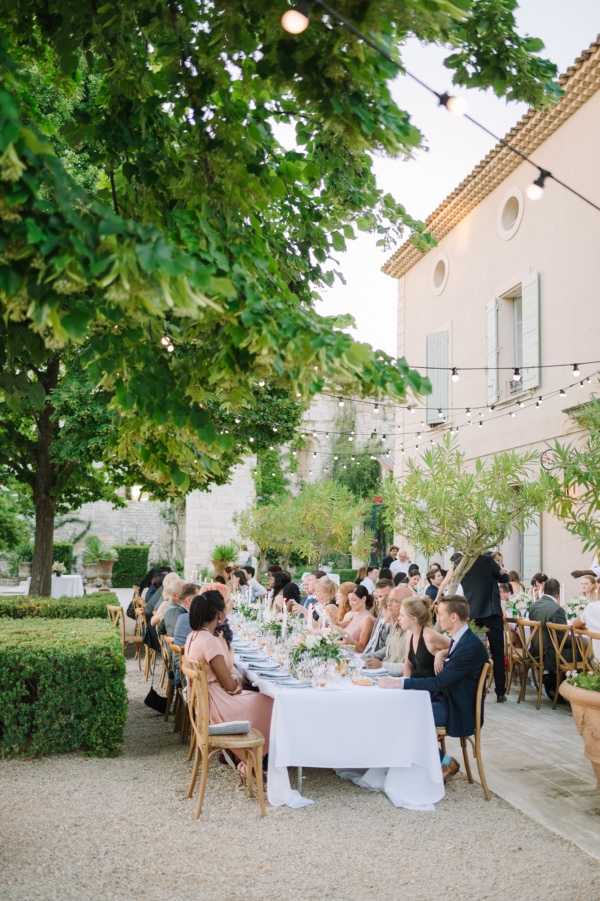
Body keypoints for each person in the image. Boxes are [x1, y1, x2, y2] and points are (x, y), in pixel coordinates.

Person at [379, 596, 488, 782]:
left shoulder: (469, 646)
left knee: (407, 716)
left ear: (453, 617)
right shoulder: (461, 639)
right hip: (447, 699)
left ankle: (443, 762)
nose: (437, 618)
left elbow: (439, 682)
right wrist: (442, 653)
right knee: (397, 708)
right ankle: (413, 763)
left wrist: (401, 683)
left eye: (441, 614)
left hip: (458, 709)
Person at [184, 591, 273, 754]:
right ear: (219, 614)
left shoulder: (193, 636)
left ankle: (247, 757)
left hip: (203, 704)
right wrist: (239, 682)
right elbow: (229, 686)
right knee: (270, 702)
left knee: (258, 696)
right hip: (217, 706)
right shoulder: (210, 641)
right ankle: (255, 760)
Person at [451, 551, 509, 702]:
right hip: (491, 612)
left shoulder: (461, 563)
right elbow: (504, 578)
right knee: (498, 652)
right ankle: (500, 692)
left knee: (471, 652)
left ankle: (475, 689)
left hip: (473, 612)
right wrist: (501, 570)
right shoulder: (487, 561)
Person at [528, 577, 569, 700]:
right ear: (558, 593)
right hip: (550, 654)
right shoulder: (558, 610)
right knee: (584, 652)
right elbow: (562, 639)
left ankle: (553, 683)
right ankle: (562, 690)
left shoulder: (534, 606)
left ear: (544, 590)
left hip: (535, 650)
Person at [364, 585, 411, 674]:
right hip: (385, 673)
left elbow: (410, 668)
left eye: (395, 601)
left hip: (395, 679)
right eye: (389, 600)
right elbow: (388, 648)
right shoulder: (395, 624)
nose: (388, 604)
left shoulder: (412, 630)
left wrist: (382, 665)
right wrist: (366, 658)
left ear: (407, 605)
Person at [401, 596, 450, 678]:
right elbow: (408, 664)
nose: (398, 618)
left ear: (414, 619)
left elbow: (458, 647)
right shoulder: (410, 633)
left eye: (402, 615)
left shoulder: (429, 636)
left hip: (431, 688)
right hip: (415, 687)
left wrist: (441, 654)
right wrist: (404, 685)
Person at [361, 579, 394, 656]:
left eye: (387, 596)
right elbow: (372, 640)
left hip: (379, 661)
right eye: (380, 596)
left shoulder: (396, 617)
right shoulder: (381, 612)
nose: (383, 600)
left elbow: (388, 648)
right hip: (368, 655)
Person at [338, 585, 375, 652]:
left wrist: (350, 641)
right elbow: (341, 639)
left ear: (364, 599)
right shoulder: (349, 614)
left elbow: (362, 648)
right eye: (349, 600)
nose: (351, 603)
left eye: (354, 600)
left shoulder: (368, 619)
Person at [572, 575, 600, 660]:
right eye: (582, 584)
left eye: (586, 583)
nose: (583, 586)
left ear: (594, 586)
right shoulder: (580, 600)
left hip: (595, 655)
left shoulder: (592, 605)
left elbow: (575, 624)